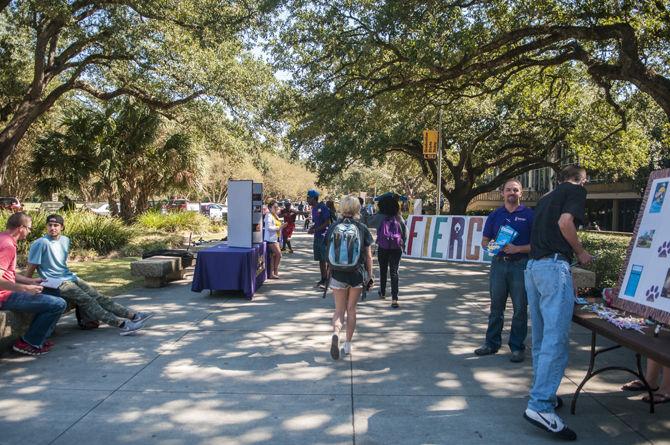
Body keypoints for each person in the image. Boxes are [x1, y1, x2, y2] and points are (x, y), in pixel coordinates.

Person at [523, 165, 593, 441]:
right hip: (553, 267)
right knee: (556, 340)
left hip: (533, 269)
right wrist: (581, 251)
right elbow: (566, 223)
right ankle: (540, 405)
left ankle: (545, 395)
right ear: (579, 179)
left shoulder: (544, 198)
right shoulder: (576, 190)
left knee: (541, 339)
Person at [25, 214, 151, 336]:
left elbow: (60, 262)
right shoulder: (40, 243)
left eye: (56, 225)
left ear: (62, 227)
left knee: (99, 297)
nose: (52, 228)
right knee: (88, 300)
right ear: (46, 226)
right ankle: (123, 325)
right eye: (50, 225)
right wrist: (26, 285)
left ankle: (134, 316)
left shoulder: (65, 240)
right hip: (55, 282)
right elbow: (32, 266)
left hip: (69, 277)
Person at [474, 179, 533, 362]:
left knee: (520, 309)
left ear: (521, 193)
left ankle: (517, 347)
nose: (512, 193)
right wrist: (492, 246)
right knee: (496, 307)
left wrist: (518, 249)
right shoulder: (495, 215)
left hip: (521, 265)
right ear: (502, 193)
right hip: (499, 264)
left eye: (515, 190)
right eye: (508, 190)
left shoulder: (530, 215)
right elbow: (484, 241)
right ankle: (491, 344)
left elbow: (537, 245)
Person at [0, 212, 67, 356]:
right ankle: (28, 343)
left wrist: (30, 281)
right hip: (4, 297)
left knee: (52, 294)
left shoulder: (3, 238)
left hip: (7, 292)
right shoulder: (7, 245)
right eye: (29, 228)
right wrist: (25, 288)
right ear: (21, 228)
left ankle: (39, 338)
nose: (30, 231)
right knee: (58, 304)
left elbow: (7, 273)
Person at [325, 195, 373, 359]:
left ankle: (336, 333)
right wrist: (370, 276)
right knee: (351, 309)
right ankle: (347, 345)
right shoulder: (361, 228)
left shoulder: (333, 227)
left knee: (339, 310)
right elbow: (368, 256)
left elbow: (327, 251)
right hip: (356, 274)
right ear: (357, 209)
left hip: (337, 273)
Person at [367, 196, 406, 308]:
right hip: (396, 248)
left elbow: (368, 222)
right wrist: (403, 243)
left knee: (383, 270)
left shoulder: (379, 217)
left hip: (383, 247)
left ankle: (382, 292)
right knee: (394, 272)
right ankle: (394, 298)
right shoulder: (399, 218)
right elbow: (405, 233)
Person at [306, 189, 331, 288]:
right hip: (317, 237)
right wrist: (312, 228)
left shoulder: (323, 207)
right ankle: (323, 278)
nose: (307, 199)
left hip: (324, 237)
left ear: (313, 198)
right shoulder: (313, 209)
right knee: (320, 259)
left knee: (326, 259)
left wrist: (316, 230)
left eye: (308, 198)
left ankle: (329, 280)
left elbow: (327, 222)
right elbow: (317, 222)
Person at [264, 200, 287, 278]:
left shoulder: (274, 215)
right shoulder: (269, 216)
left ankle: (272, 273)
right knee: (278, 254)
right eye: (275, 207)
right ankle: (275, 271)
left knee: (274, 256)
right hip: (271, 239)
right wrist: (280, 227)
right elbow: (269, 227)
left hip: (275, 238)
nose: (277, 208)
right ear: (270, 208)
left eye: (277, 207)